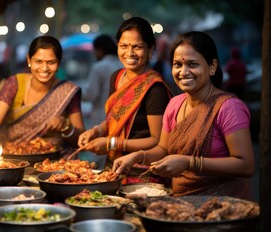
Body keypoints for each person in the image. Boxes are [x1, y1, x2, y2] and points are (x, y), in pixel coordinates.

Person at [112, 31, 255, 200]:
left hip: (222, 208)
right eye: (177, 64)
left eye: (193, 64)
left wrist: (190, 162)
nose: (183, 72)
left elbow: (246, 165)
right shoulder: (175, 104)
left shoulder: (229, 107)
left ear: (212, 66)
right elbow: (163, 149)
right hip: (180, 204)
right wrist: (138, 156)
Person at [78, 17, 172, 184]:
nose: (129, 53)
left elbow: (156, 141)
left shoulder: (154, 88)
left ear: (150, 49)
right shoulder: (117, 76)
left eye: (137, 47)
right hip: (112, 168)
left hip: (142, 175)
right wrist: (96, 131)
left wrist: (112, 143)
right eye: (124, 46)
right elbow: (114, 119)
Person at [0, 36, 85, 157]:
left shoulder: (67, 91)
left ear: (59, 62)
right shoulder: (14, 83)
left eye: (51, 62)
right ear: (29, 60)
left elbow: (80, 141)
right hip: (14, 158)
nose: (44, 68)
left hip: (56, 163)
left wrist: (65, 125)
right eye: (38, 61)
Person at [82, 34, 123, 129]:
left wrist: (74, 92)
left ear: (100, 50)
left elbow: (91, 94)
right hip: (121, 116)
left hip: (101, 117)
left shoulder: (99, 67)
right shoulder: (122, 65)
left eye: (95, 50)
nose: (94, 53)